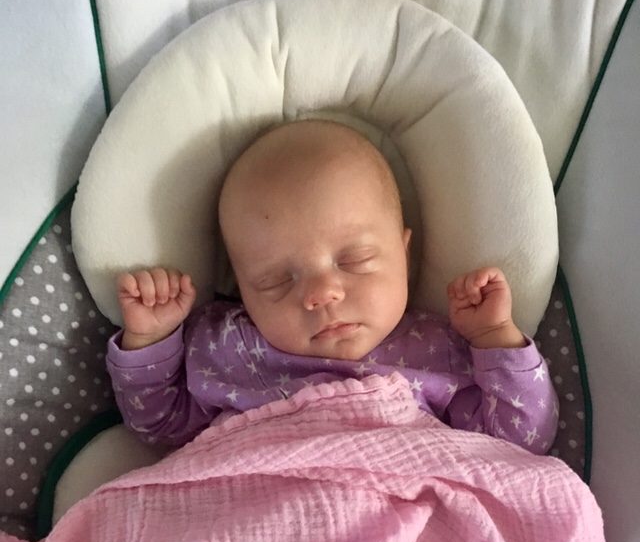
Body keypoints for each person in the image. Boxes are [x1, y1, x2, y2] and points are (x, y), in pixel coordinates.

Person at [106, 119, 558, 452]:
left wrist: (494, 338)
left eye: (354, 260)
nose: (321, 294)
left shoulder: (443, 351)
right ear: (241, 289)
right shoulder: (227, 346)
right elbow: (159, 427)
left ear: (404, 255)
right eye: (276, 282)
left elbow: (519, 441)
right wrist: (151, 340)